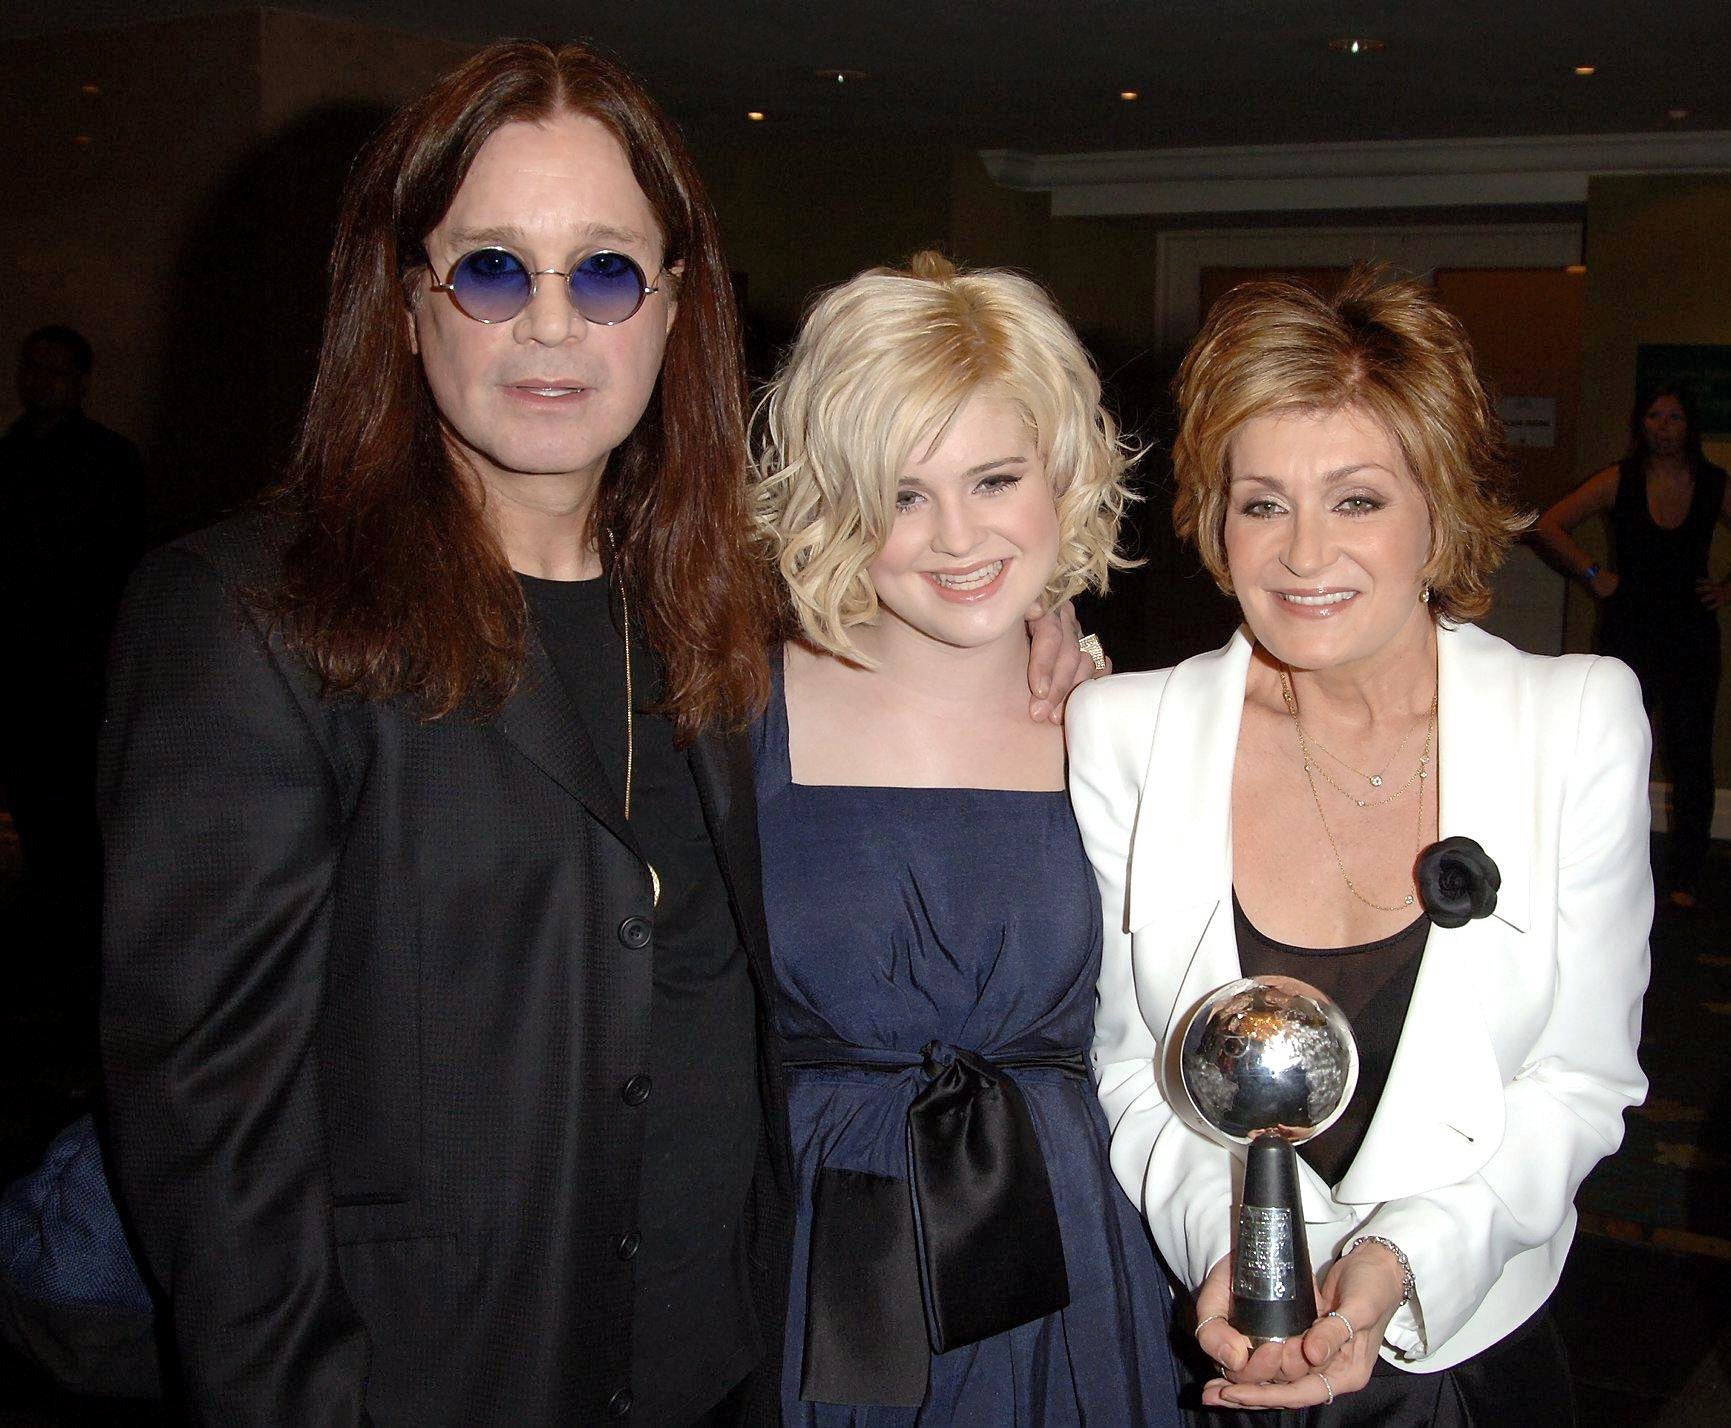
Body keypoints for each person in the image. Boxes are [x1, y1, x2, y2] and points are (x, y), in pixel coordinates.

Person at [99, 43, 1098, 1425]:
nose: (552, 325)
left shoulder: (716, 618)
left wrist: (1037, 637)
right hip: (428, 1382)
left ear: (673, 307)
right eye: (495, 269)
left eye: (606, 273)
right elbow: (210, 1140)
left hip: (733, 1363)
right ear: (404, 302)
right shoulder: (248, 619)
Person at [1066, 270, 1652, 1424]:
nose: (1301, 554)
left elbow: (1583, 1081)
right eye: (1262, 502)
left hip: (1466, 1356)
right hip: (1226, 1354)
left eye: (1358, 500)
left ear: (1441, 509)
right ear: (1213, 519)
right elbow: (1130, 1065)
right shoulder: (1124, 731)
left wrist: (1399, 1264)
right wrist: (1228, 1252)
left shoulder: (1575, 720)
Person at [749, 252, 1183, 1425]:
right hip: (811, 1259)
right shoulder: (728, 720)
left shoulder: (1130, 728)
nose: (956, 537)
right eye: (901, 492)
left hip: (1074, 1260)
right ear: (836, 499)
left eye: (995, 478)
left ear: (1064, 475)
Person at [1534, 383, 1730, 908]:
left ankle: (1686, 875)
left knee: (1690, 754)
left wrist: (1727, 587)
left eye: (1674, 417)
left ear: (1690, 425)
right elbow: (1549, 525)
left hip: (1691, 632)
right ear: (1641, 424)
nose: (1664, 426)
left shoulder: (1713, 484)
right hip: (1631, 629)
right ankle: (1609, 865)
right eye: (1654, 416)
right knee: (1620, 750)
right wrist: (1594, 574)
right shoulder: (1618, 480)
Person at [0, 325, 144, 1032]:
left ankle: (77, 988)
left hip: (80, 680)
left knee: (80, 837)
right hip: (22, 677)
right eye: (32, 369)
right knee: (36, 826)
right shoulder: (8, 461)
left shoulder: (107, 465)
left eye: (55, 372)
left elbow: (122, 571)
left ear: (81, 381)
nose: (40, 382)